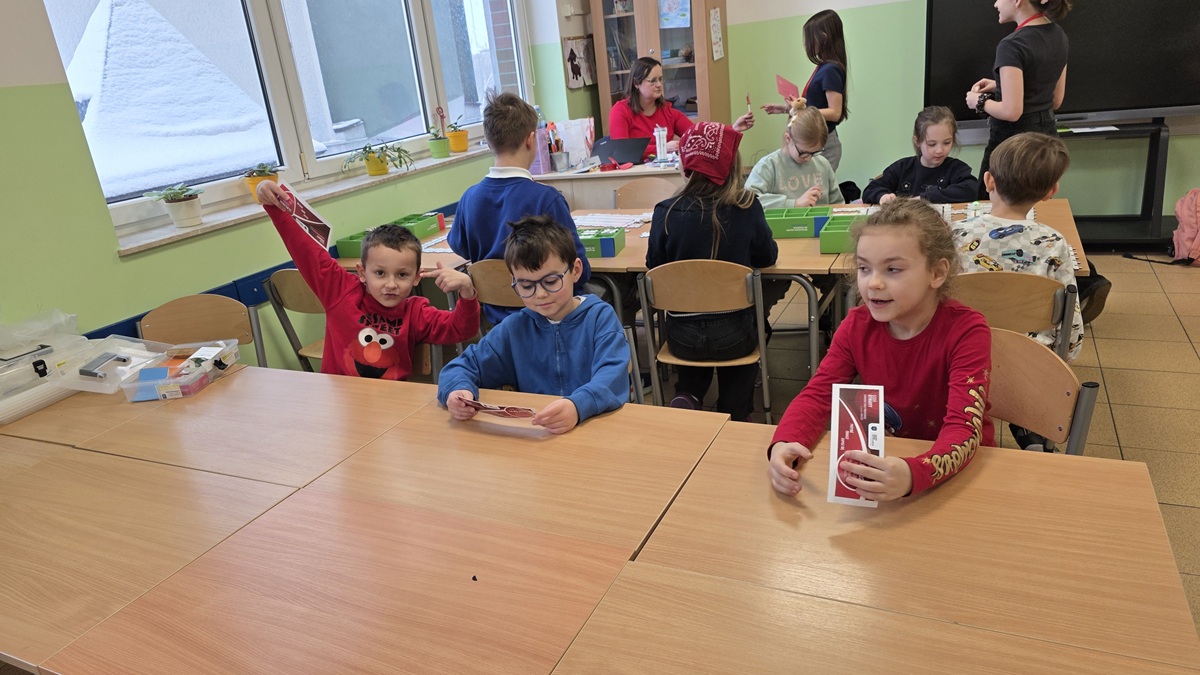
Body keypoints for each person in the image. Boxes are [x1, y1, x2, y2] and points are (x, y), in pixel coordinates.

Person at [767, 199, 992, 501]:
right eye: (864, 268)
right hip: (890, 463)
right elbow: (819, 395)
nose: (872, 283)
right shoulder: (856, 325)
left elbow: (965, 430)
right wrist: (784, 442)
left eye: (893, 269)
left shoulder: (967, 331)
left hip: (959, 475)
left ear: (937, 273)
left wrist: (912, 474)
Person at [256, 181, 480, 381]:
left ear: (416, 277)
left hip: (387, 403)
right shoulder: (341, 292)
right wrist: (273, 205)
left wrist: (467, 292)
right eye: (380, 273)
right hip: (339, 399)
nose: (390, 284)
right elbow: (307, 252)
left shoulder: (416, 312)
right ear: (362, 273)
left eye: (402, 275)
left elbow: (461, 329)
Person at [438, 216, 630, 435]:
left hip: (597, 428)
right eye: (526, 285)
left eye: (551, 281)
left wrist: (577, 406)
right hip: (542, 432)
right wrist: (458, 391)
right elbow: (460, 367)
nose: (540, 294)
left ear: (576, 270)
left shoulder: (600, 318)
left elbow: (612, 377)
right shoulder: (515, 328)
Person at [647, 122, 780, 422]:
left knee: (697, 328)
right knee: (752, 328)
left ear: (686, 165)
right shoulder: (747, 206)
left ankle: (689, 393)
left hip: (681, 335)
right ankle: (734, 408)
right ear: (733, 167)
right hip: (735, 333)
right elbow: (767, 256)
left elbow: (654, 266)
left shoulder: (665, 212)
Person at [451, 91, 591, 327]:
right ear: (530, 140)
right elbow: (580, 269)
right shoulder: (546, 199)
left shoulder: (469, 198)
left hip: (497, 321)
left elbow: (460, 247)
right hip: (549, 316)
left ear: (489, 142)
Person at [966, 0, 1072, 201]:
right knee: (1033, 204)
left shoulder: (1011, 45)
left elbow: (1011, 111)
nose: (996, 4)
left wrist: (978, 100)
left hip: (1013, 145)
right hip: (1046, 139)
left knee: (992, 203)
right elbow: (1055, 99)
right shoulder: (1059, 35)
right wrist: (1001, 84)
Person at [609, 56, 755, 163]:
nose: (659, 85)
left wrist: (733, 128)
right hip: (634, 175)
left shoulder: (667, 111)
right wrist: (662, 148)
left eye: (660, 79)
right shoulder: (620, 111)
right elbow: (621, 151)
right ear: (636, 83)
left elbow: (699, 135)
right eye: (653, 81)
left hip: (663, 174)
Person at [762, 9, 849, 171]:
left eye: (809, 38)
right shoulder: (824, 66)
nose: (806, 44)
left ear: (823, 37)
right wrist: (786, 109)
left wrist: (800, 110)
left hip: (823, 144)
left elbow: (835, 112)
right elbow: (815, 105)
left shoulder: (831, 69)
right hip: (815, 140)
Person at [863, 106, 978, 204]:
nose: (939, 150)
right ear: (917, 141)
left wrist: (925, 198)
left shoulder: (957, 169)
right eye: (932, 144)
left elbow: (971, 190)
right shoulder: (902, 168)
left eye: (947, 142)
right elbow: (870, 190)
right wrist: (883, 196)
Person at [746, 99, 843, 209]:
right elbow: (749, 202)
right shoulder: (768, 166)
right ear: (788, 138)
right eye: (803, 152)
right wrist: (794, 204)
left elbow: (838, 205)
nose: (808, 158)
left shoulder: (823, 164)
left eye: (815, 152)